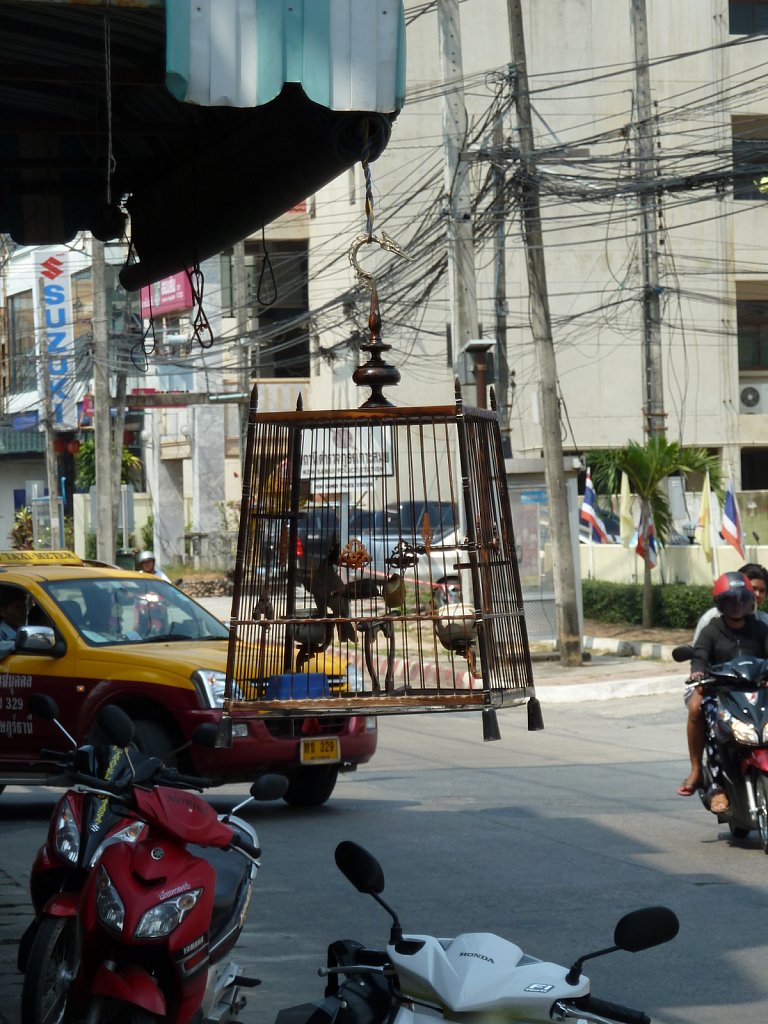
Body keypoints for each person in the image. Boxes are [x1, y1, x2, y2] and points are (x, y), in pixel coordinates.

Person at [679, 571, 768, 813]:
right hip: (722, 692)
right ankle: (716, 786)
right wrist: (698, 673)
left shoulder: (761, 627)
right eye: (730, 600)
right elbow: (700, 656)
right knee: (713, 723)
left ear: (751, 601)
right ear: (720, 603)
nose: (737, 605)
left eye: (742, 599)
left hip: (756, 690)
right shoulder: (711, 629)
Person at [691, 562, 768, 640]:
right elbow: (698, 650)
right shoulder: (710, 618)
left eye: (762, 591)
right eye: (753, 588)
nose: (757, 594)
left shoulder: (765, 621)